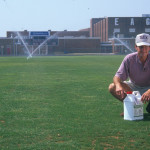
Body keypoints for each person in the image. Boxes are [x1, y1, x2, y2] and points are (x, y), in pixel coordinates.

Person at [108, 33, 150, 115]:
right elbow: (117, 77)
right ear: (136, 47)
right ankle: (131, 106)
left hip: (149, 88)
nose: (143, 49)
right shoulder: (129, 58)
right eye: (141, 47)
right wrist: (118, 86)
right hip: (134, 88)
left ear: (149, 48)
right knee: (112, 86)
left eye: (146, 47)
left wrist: (149, 91)